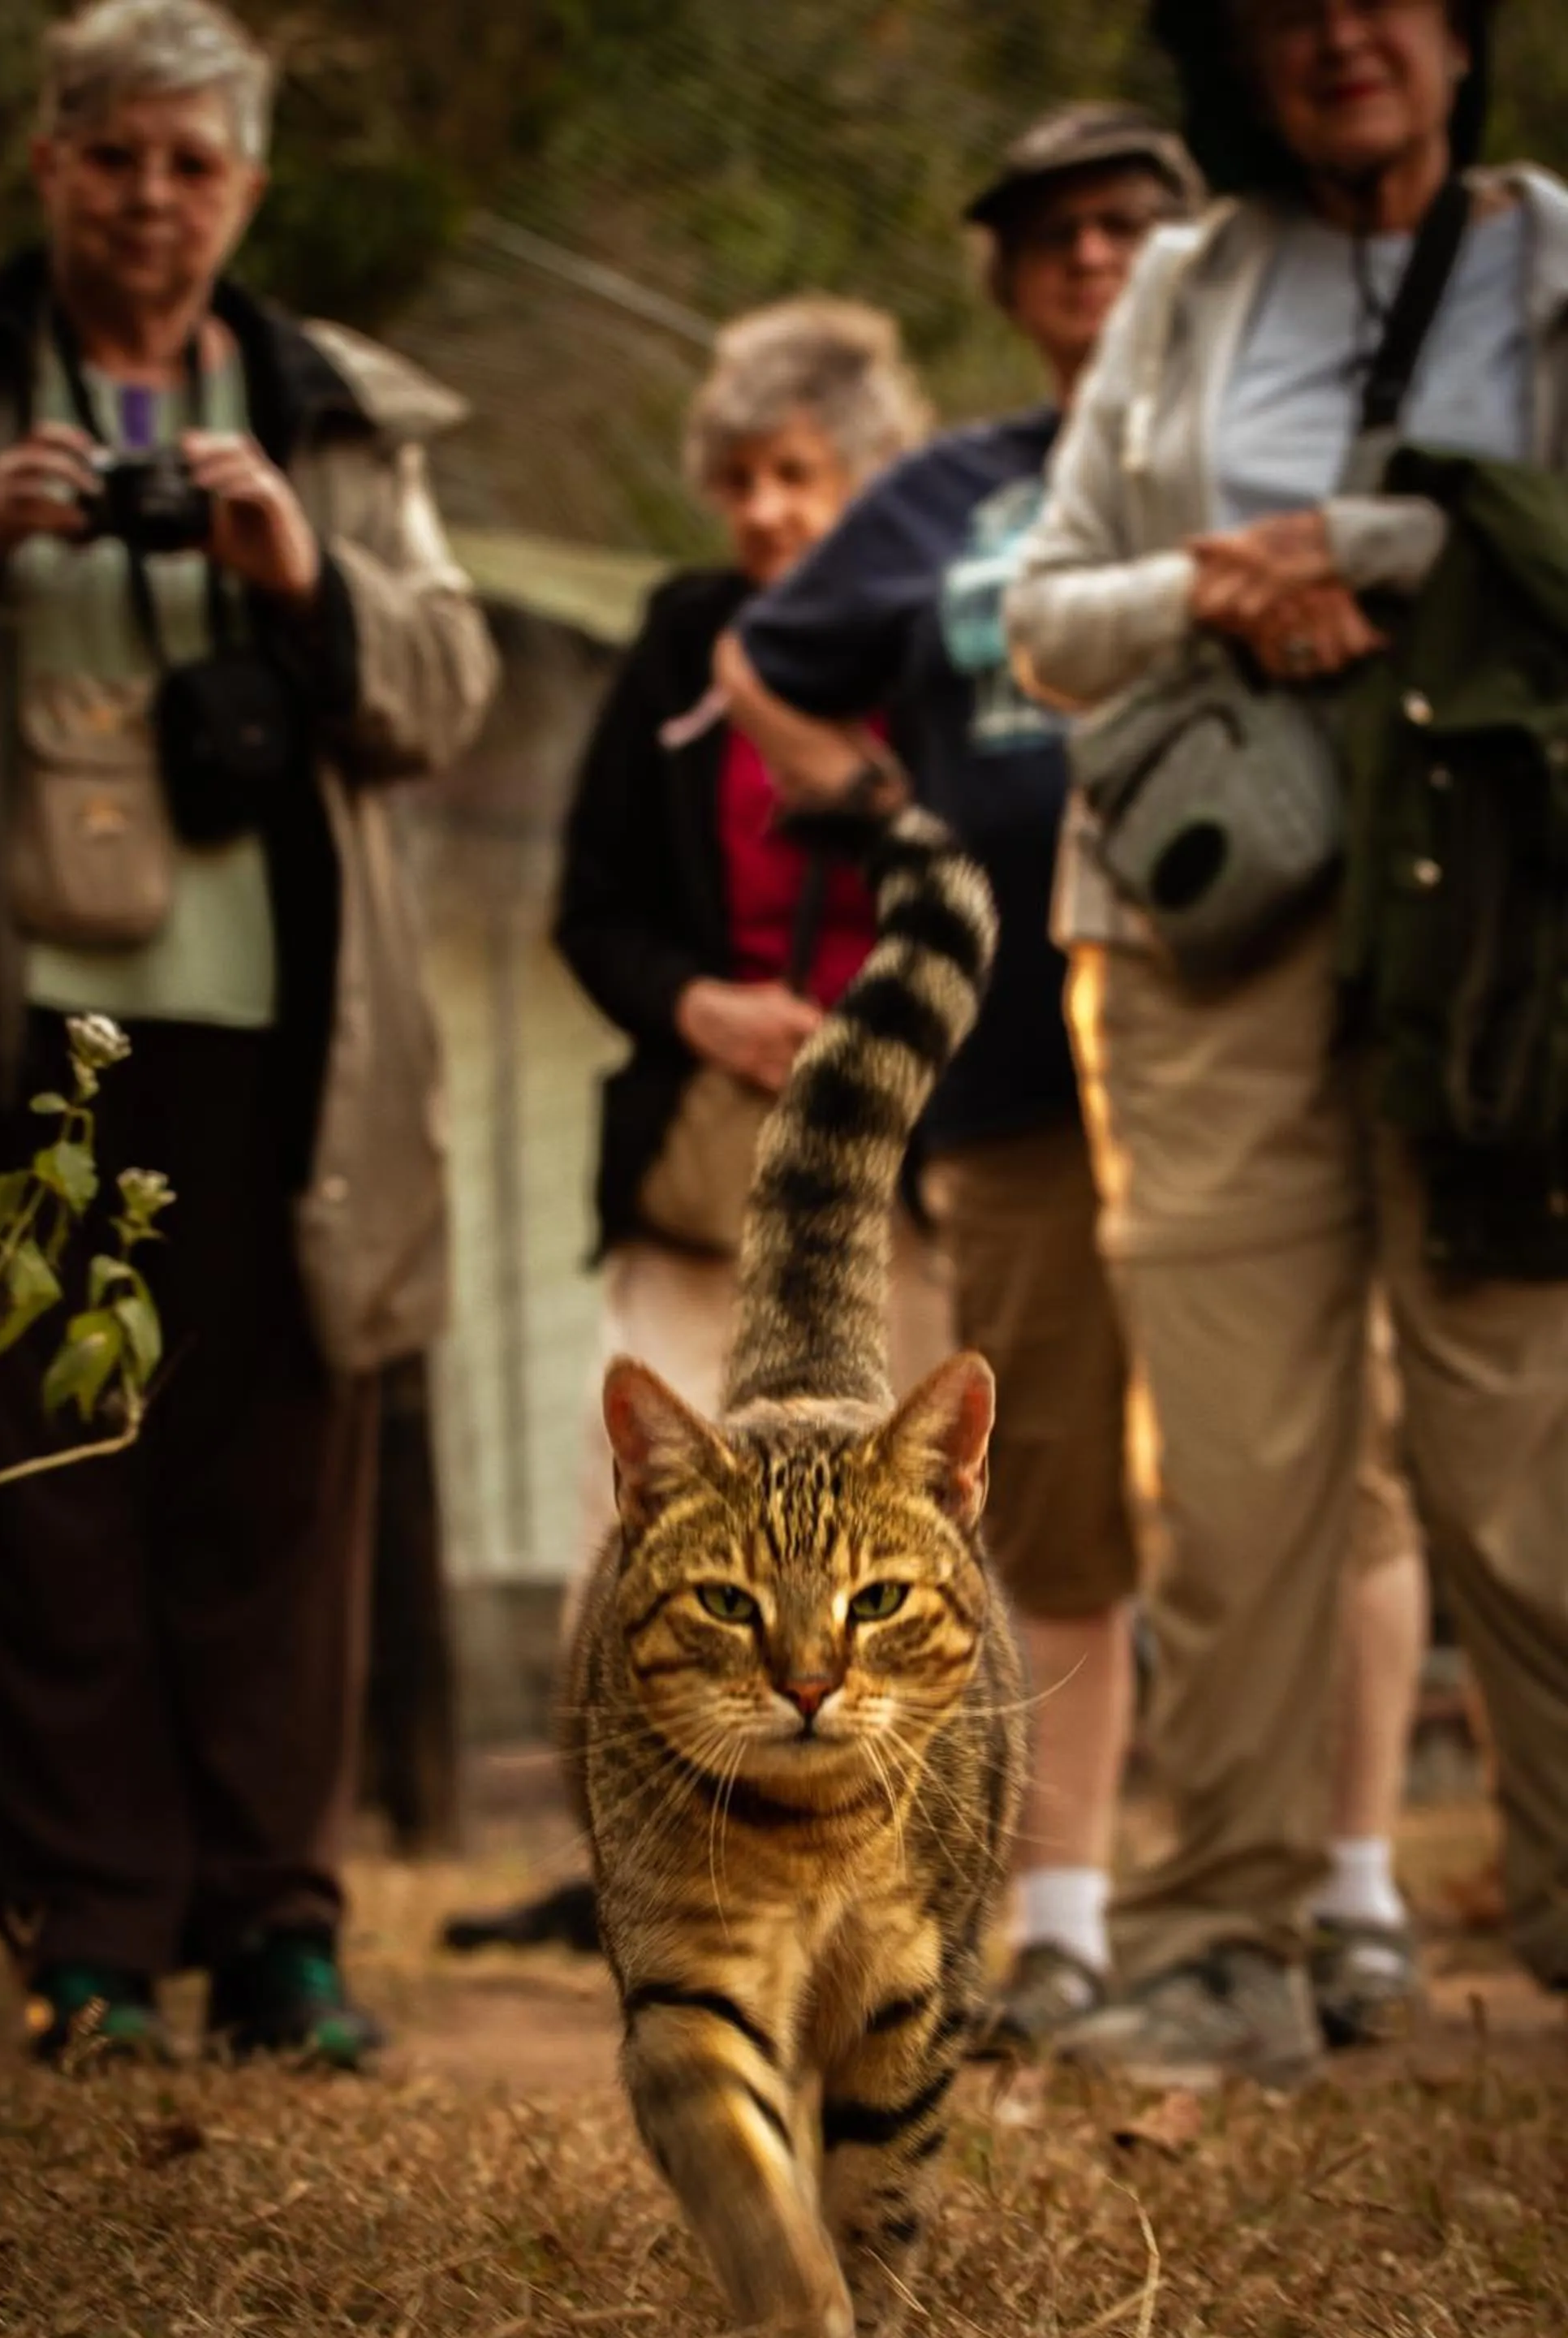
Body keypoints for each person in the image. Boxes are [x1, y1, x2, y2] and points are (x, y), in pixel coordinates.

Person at [717, 103, 1431, 2058]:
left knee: (1322, 1478)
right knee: (1039, 1504)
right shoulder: (950, 490)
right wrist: (877, 809)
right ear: (1011, 280)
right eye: (1051, 238)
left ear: (1197, 256)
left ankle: (1346, 1899)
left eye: (1129, 226)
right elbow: (765, 652)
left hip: (1273, 1026)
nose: (1092, 263)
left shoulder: (1283, 451)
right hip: (1021, 1062)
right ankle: (1066, 1925)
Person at [1009, 0, 1568, 2083]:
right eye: (1287, 1)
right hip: (1202, 937)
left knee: (1526, 1451)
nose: (1343, 33)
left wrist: (1382, 549)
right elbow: (1045, 621)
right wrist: (1216, 589)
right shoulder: (1180, 282)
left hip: (1505, 937)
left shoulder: (1552, 254)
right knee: (1232, 1480)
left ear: (1464, 30)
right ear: (1229, 51)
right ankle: (1214, 1944)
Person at [0, 0, 494, 2066]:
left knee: (274, 1486)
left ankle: (280, 1933)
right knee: (40, 1485)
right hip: (15, 1043)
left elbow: (439, 690)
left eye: (195, 164)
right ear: (47, 162)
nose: (154, 199)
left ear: (247, 187)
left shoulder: (336, 410)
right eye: (115, 156)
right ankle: (84, 1942)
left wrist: (302, 577)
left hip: (284, 1044)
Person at [439, 298, 944, 1961]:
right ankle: (634, 1863)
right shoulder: (678, 638)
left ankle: (913, 1879)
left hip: (907, 1153)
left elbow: (985, 875)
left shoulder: (941, 642)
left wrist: (881, 1021)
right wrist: (701, 1008)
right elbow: (591, 908)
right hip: (696, 1147)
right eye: (738, 477)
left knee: (894, 1536)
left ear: (872, 475)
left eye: (800, 473)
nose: (766, 511)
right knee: (651, 1512)